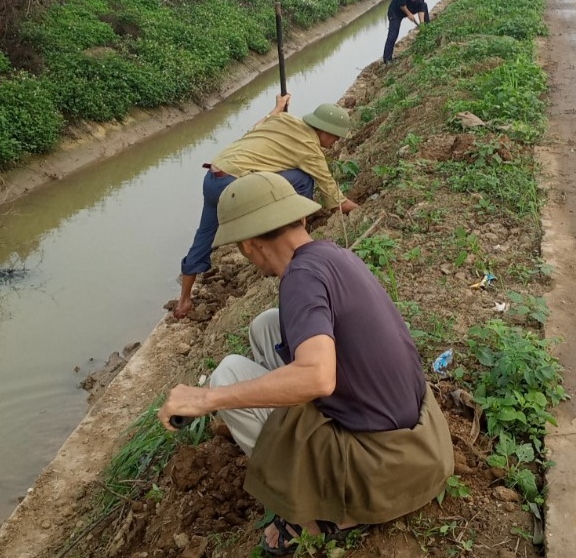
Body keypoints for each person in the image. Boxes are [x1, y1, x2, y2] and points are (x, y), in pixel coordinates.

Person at [159, 172, 454, 554]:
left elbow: (317, 377)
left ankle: (315, 516)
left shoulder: (300, 279)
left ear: (249, 247)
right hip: (421, 441)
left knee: (227, 375)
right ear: (299, 219)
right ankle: (298, 450)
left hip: (382, 468)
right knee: (267, 325)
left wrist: (206, 400)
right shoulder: (331, 255)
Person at [174, 95, 359, 319]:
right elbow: (333, 195)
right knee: (303, 179)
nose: (334, 144)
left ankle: (183, 302)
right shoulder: (310, 148)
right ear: (326, 132)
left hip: (214, 176)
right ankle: (289, 236)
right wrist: (360, 210)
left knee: (204, 235)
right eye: (335, 139)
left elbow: (259, 125)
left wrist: (278, 107)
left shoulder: (283, 120)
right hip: (236, 184)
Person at [382, 0, 434, 64]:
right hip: (396, 11)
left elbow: (421, 6)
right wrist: (409, 14)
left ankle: (427, 29)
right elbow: (401, 4)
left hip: (410, 7)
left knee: (424, 5)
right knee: (393, 34)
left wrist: (421, 23)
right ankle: (387, 59)